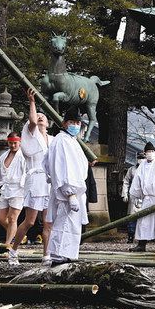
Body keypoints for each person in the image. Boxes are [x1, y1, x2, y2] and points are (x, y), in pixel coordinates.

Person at [10, 88, 55, 266]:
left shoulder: (53, 140)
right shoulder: (30, 133)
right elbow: (32, 121)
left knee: (48, 222)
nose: (41, 117)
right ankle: (13, 251)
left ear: (49, 123)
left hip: (50, 182)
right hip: (35, 179)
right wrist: (32, 102)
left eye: (44, 116)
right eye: (39, 115)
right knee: (29, 221)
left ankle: (47, 256)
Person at [44, 107, 89, 264]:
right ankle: (58, 255)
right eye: (72, 122)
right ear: (64, 124)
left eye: (77, 122)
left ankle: (66, 254)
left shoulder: (71, 141)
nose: (75, 125)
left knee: (71, 225)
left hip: (74, 192)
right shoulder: (62, 141)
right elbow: (64, 169)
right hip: (67, 192)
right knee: (64, 223)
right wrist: (70, 194)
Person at [0, 132, 26, 255]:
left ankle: (8, 245)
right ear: (8, 142)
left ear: (19, 142)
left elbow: (28, 174)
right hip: (5, 189)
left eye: (15, 142)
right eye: (11, 142)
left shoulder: (23, 156)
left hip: (19, 189)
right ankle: (16, 234)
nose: (13, 145)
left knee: (12, 218)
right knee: (0, 218)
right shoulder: (3, 156)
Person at [122, 151, 146, 243]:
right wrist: (124, 193)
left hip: (145, 196)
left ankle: (142, 238)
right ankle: (131, 236)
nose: (140, 160)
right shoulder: (131, 169)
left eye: (142, 158)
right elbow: (126, 181)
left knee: (144, 217)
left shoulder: (148, 169)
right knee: (132, 217)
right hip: (134, 195)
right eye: (139, 158)